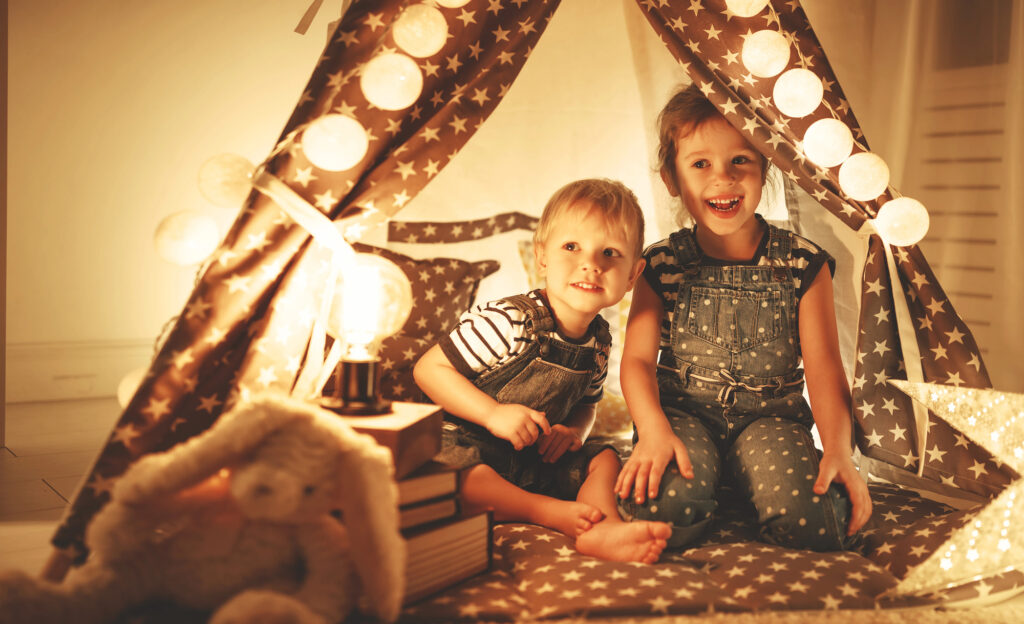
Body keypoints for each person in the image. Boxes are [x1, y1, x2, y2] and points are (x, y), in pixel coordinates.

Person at [615, 84, 872, 551]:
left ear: (765, 166)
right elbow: (635, 363)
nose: (724, 179)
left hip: (770, 420)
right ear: (672, 179)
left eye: (741, 160)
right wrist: (653, 432)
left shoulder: (802, 264)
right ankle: (713, 482)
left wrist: (837, 448)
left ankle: (747, 479)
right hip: (683, 417)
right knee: (662, 511)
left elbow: (824, 369)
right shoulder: (661, 265)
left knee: (815, 523)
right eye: (700, 164)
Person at [414, 178, 672, 563]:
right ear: (542, 256)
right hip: (464, 442)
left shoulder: (599, 342)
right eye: (572, 247)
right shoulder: (509, 320)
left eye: (610, 253)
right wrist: (492, 413)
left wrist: (573, 433)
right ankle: (547, 512)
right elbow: (429, 369)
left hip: (531, 457)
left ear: (633, 275)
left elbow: (588, 403)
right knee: (456, 476)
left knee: (604, 458)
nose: (591, 264)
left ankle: (602, 527)